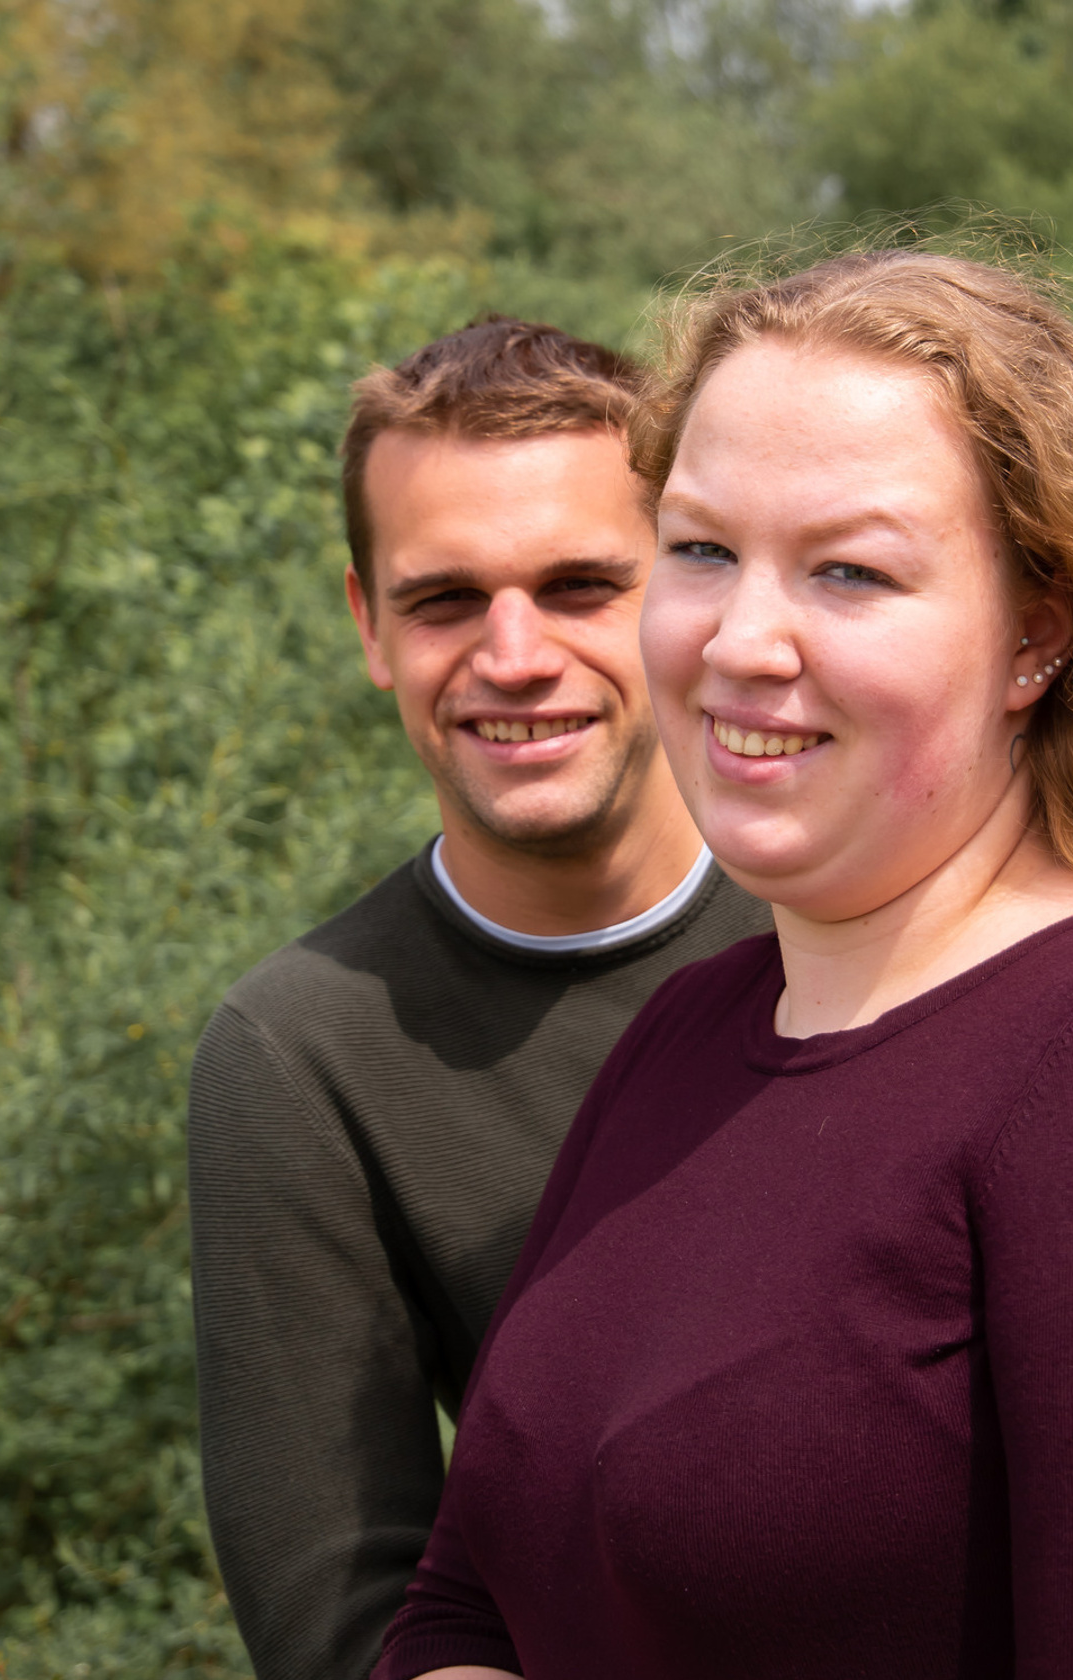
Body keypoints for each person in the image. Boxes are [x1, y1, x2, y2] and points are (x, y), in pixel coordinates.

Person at [374, 254, 1073, 1680]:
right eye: (703, 549)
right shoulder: (688, 1034)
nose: (739, 641)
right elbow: (468, 1591)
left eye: (849, 570)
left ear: (1035, 635)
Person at [186, 318, 772, 1680]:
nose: (513, 655)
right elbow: (351, 1618)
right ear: (368, 627)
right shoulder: (303, 1053)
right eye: (445, 599)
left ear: (693, 592)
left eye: (580, 587)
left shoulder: (878, 915)